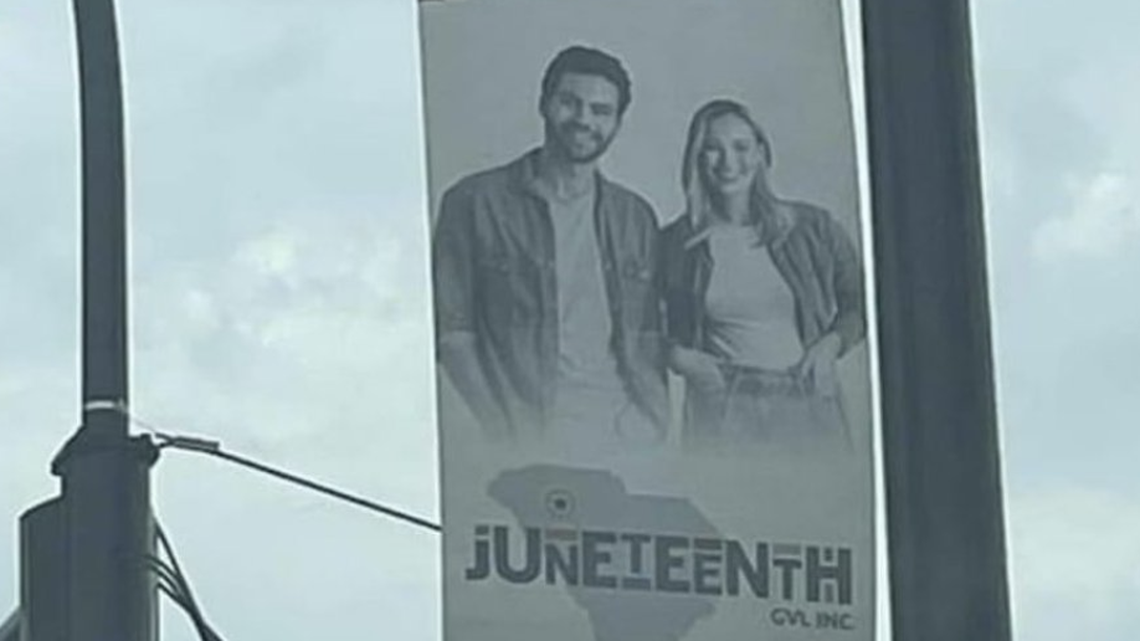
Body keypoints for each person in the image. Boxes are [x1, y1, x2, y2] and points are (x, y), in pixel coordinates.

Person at [432, 45, 668, 446]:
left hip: (628, 431)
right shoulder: (474, 202)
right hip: (533, 431)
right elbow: (453, 333)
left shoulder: (636, 215)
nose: (583, 120)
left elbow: (646, 333)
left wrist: (658, 422)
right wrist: (503, 431)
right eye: (569, 102)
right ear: (543, 104)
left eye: (600, 110)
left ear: (617, 122)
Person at [661, 99, 866, 451]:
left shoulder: (813, 227)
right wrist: (679, 358)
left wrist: (831, 345)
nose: (728, 162)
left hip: (806, 396)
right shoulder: (675, 244)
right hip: (723, 405)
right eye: (712, 149)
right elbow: (635, 327)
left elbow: (863, 302)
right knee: (722, 503)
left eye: (741, 147)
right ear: (696, 159)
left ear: (761, 153)